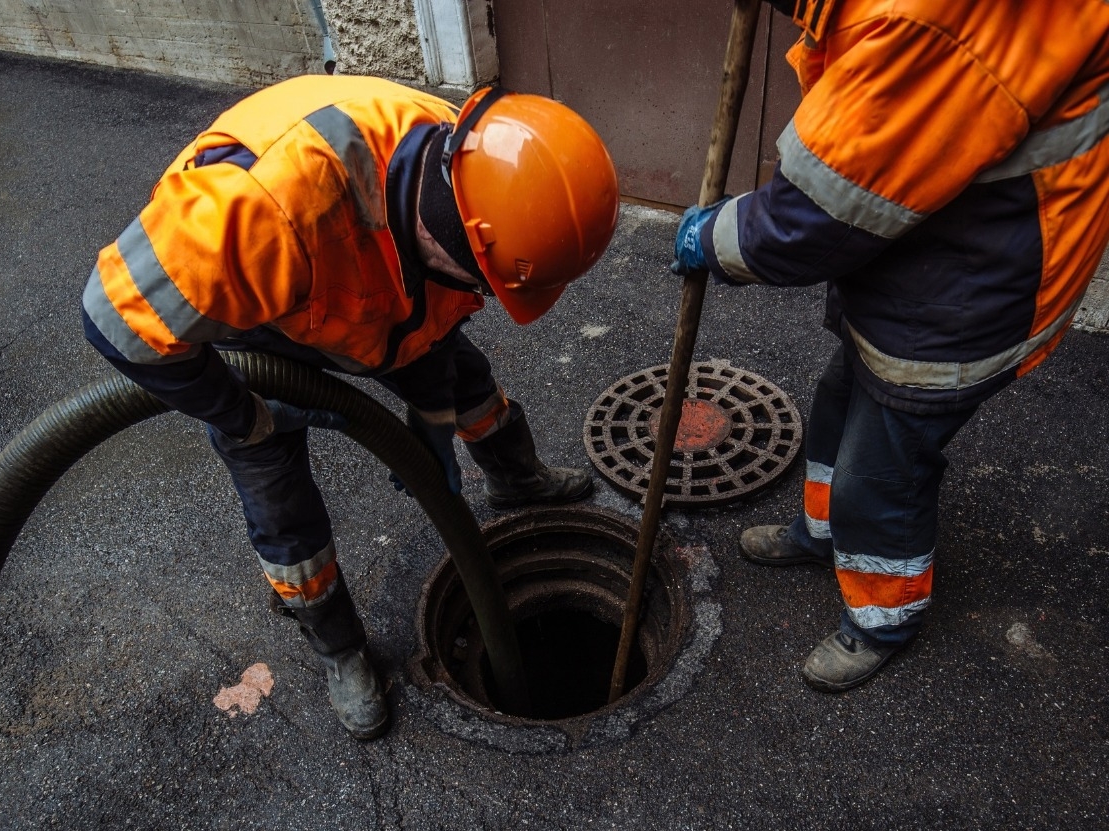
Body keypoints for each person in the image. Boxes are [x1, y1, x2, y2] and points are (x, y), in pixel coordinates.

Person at [82, 75, 620, 739]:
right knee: (278, 496)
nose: (490, 294)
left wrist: (432, 429)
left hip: (378, 290)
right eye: (490, 281)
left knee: (463, 380)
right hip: (271, 317)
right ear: (455, 237)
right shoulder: (259, 209)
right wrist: (242, 412)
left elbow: (439, 325)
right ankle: (339, 649)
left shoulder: (481, 167)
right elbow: (112, 318)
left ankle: (517, 478)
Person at [671, 0, 1109, 691]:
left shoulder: (931, 19)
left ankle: (883, 616)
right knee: (839, 397)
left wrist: (717, 238)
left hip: (976, 277)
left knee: (883, 471)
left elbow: (814, 215)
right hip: (927, 242)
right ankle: (822, 533)